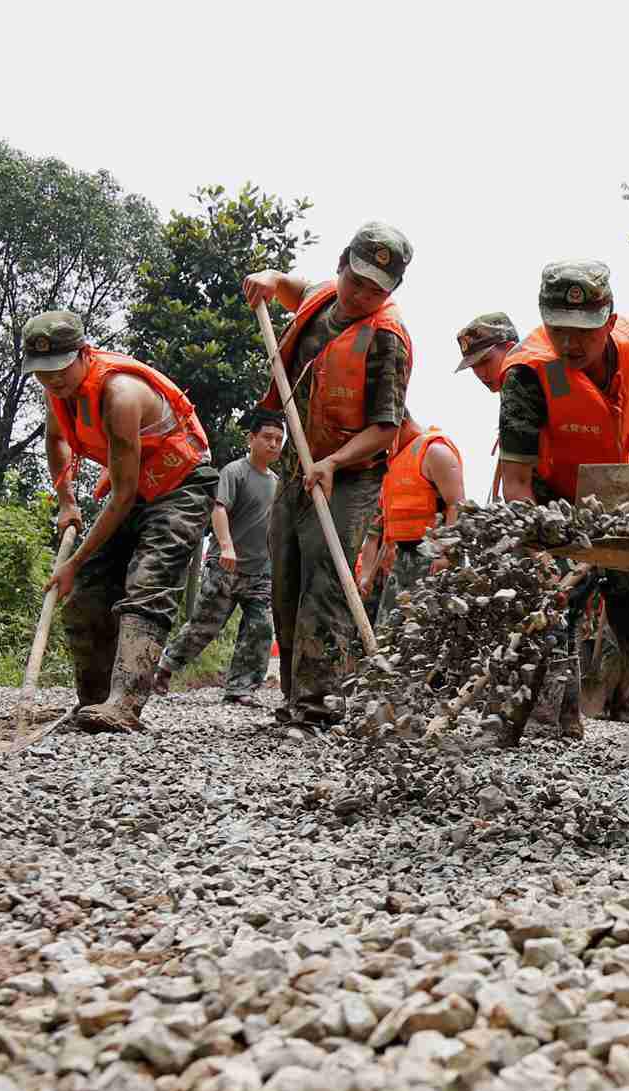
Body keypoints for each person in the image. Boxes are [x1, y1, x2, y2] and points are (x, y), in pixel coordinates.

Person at [496, 258, 629, 737]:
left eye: (584, 330)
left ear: (610, 320)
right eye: (559, 329)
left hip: (620, 500)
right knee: (549, 606)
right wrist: (537, 547)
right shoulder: (526, 373)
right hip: (551, 499)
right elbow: (516, 480)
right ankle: (550, 725)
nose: (570, 343)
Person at [243, 221, 416, 727]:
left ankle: (319, 704)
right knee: (285, 572)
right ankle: (295, 697)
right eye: (355, 280)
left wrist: (334, 463)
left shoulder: (388, 340)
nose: (361, 294)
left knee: (326, 576)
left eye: (375, 289)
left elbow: (386, 429)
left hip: (351, 473)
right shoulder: (321, 297)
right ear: (341, 265)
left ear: (391, 291)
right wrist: (270, 278)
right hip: (300, 464)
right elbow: (290, 287)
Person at [26, 309, 218, 733]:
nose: (52, 379)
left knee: (147, 582)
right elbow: (56, 439)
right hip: (136, 489)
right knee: (85, 593)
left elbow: (124, 495)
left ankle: (124, 705)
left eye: (59, 368)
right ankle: (94, 703)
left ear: (82, 353)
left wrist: (72, 560)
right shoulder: (57, 393)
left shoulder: (120, 394)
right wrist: (66, 501)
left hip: (179, 485)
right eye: (42, 372)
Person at [155, 413, 283, 704]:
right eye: (268, 438)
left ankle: (241, 688)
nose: (273, 444)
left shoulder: (277, 483)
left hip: (261, 571)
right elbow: (219, 508)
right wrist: (226, 546)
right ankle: (165, 666)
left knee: (260, 629)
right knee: (204, 626)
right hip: (226, 567)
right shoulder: (234, 472)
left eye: (278, 440)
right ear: (251, 439)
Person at [369, 416, 465, 627]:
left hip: (433, 559)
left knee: (429, 635)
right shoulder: (393, 461)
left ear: (399, 424)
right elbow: (386, 524)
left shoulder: (434, 452)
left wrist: (446, 555)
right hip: (403, 560)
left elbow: (457, 505)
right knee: (387, 634)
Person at [455, 312, 519, 499]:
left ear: (510, 348)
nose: (481, 373)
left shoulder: (547, 375)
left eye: (485, 361)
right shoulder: (508, 389)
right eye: (473, 366)